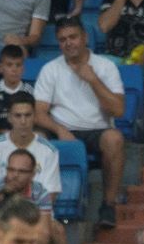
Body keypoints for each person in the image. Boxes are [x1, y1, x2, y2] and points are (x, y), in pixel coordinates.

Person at [34, 17, 125, 228]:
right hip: (62, 129)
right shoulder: (51, 69)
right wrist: (60, 130)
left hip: (97, 130)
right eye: (62, 39)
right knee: (37, 136)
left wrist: (93, 80)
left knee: (115, 138)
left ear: (84, 37)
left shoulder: (106, 66)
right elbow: (38, 113)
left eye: (73, 37)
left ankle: (108, 206)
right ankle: (40, 206)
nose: (68, 43)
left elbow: (118, 110)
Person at [0, 47, 37, 139]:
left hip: (23, 137)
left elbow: (33, 120)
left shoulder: (30, 91)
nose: (14, 69)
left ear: (23, 69)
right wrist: (2, 133)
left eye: (18, 65)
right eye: (9, 65)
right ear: (0, 68)